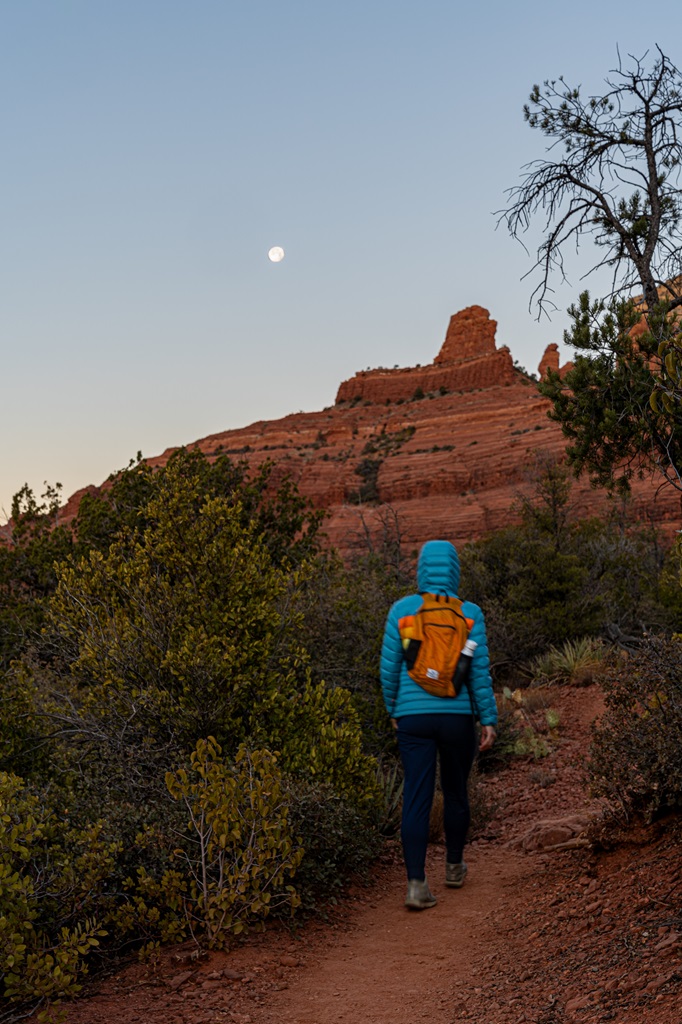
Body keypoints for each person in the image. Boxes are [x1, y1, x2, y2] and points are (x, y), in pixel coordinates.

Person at [380, 539, 497, 910]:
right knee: (456, 790)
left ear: (421, 569)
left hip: (413, 717)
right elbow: (478, 673)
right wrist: (488, 719)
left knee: (416, 794)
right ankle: (454, 866)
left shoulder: (402, 610)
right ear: (454, 570)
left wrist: (394, 710)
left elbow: (388, 669)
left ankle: (416, 885)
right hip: (456, 716)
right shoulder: (469, 614)